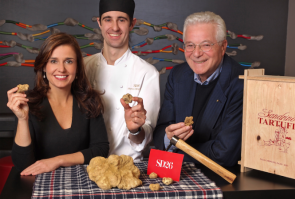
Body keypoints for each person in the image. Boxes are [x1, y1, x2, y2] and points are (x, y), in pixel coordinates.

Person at [7, 33, 109, 175]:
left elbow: (101, 150)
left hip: (84, 184)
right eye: (53, 61)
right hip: (42, 186)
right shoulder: (27, 102)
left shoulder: (89, 101)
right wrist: (22, 119)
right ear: (43, 66)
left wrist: (57, 161)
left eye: (68, 61)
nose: (61, 69)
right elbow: (23, 166)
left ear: (77, 67)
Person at [153, 11, 246, 167]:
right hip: (178, 176)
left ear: (223, 47)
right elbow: (161, 130)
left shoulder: (241, 84)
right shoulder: (177, 75)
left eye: (206, 45)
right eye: (190, 45)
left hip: (220, 183)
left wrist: (175, 148)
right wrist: (168, 138)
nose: (196, 53)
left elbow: (224, 155)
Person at [84, 0, 160, 161]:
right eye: (108, 19)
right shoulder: (83, 68)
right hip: (87, 164)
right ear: (99, 22)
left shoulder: (147, 72)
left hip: (128, 164)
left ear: (132, 24)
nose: (115, 27)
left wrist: (135, 130)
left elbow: (146, 135)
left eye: (122, 20)